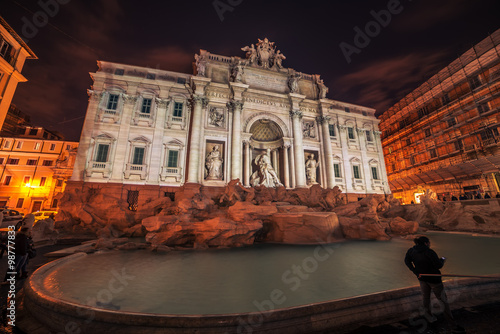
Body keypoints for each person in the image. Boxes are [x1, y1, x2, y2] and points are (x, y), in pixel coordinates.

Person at [404, 236, 465, 333]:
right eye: (429, 242)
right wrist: (442, 260)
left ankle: (430, 318)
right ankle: (453, 325)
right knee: (443, 301)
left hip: (422, 279)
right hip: (434, 280)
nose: (430, 244)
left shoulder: (411, 251)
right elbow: (438, 265)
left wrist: (416, 272)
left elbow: (407, 261)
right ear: (425, 243)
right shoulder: (429, 252)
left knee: (426, 299)